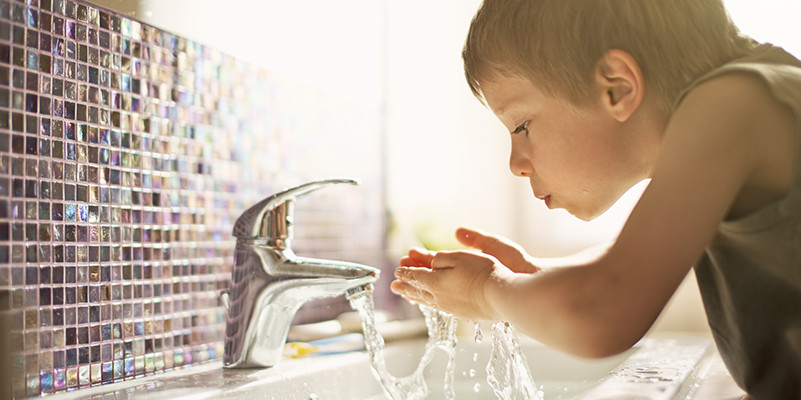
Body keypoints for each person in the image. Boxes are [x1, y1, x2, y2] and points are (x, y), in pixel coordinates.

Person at [389, 0, 801, 398]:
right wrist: (534, 275)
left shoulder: (730, 107)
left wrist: (487, 291)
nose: (516, 164)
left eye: (522, 126)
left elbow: (603, 313)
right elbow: (641, 256)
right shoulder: (755, 91)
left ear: (617, 87)